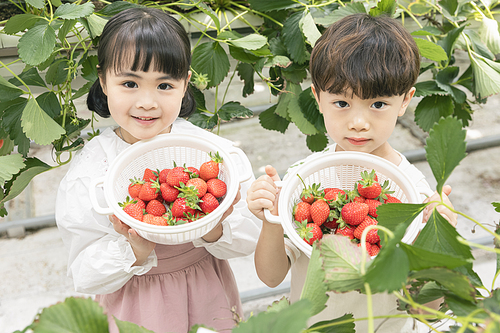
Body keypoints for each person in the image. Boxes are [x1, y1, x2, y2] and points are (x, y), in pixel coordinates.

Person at [246, 13, 457, 332]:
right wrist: (272, 221)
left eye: (378, 104)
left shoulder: (414, 194)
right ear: (317, 98)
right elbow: (271, 276)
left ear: (405, 101)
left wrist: (439, 241)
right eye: (342, 103)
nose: (359, 122)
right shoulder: (306, 181)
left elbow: (428, 312)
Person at [55, 7, 261, 333]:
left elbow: (249, 239)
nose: (147, 102)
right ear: (104, 81)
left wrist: (212, 228)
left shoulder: (211, 155)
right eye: (129, 83)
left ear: (185, 84)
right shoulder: (91, 172)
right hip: (134, 303)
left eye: (164, 85)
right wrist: (134, 250)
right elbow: (84, 272)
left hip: (206, 290)